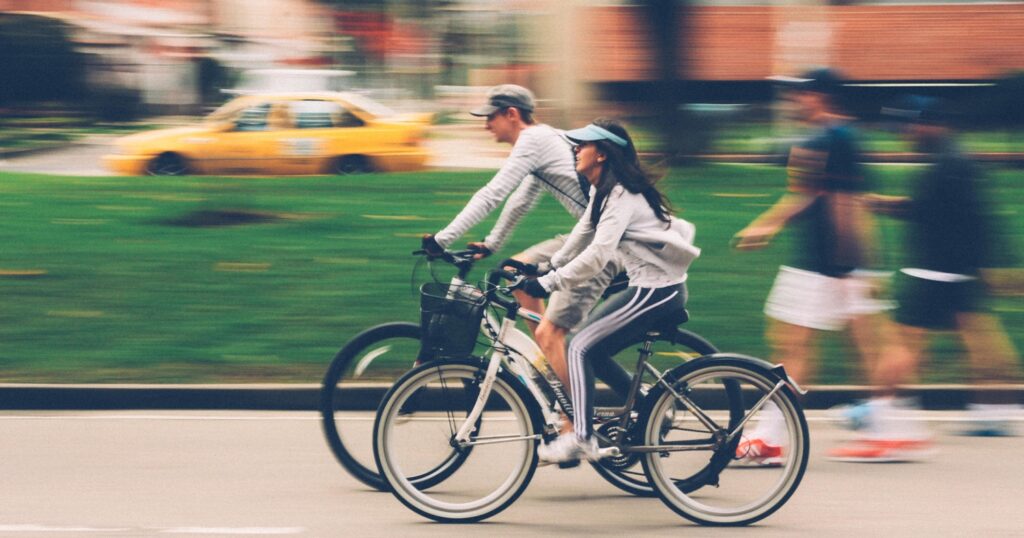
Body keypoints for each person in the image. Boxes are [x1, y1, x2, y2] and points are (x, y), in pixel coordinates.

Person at [732, 68, 907, 464]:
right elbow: (811, 196)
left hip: (827, 265)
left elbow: (844, 202)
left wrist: (849, 266)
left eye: (802, 93)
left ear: (822, 96)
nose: (795, 100)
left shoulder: (835, 137)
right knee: (814, 344)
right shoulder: (836, 137)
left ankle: (775, 438)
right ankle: (887, 431)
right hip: (830, 263)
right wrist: (769, 225)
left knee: (805, 344)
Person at [421, 84, 623, 398]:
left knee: (552, 331)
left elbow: (493, 194)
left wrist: (442, 239)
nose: (486, 124)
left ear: (512, 114)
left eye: (491, 117)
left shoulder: (533, 140)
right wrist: (491, 243)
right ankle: (549, 364)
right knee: (517, 272)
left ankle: (575, 417)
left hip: (605, 244)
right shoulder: (542, 140)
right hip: (591, 233)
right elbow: (521, 201)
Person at [521, 119, 700, 463]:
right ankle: (648, 407)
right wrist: (546, 265)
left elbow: (598, 255)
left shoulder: (622, 195)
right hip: (648, 289)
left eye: (582, 145)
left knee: (579, 348)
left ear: (601, 154)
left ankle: (582, 437)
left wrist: (548, 283)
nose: (575, 149)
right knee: (594, 351)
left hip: (657, 292)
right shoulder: (604, 191)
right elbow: (582, 233)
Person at [860, 95, 1021, 440]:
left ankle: (880, 411)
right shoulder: (952, 158)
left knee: (902, 339)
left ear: (928, 123)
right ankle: (994, 411)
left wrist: (880, 204)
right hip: (958, 269)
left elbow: (932, 211)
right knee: (983, 338)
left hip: (937, 270)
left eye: (909, 127)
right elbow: (969, 215)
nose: (905, 134)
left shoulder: (949, 163)